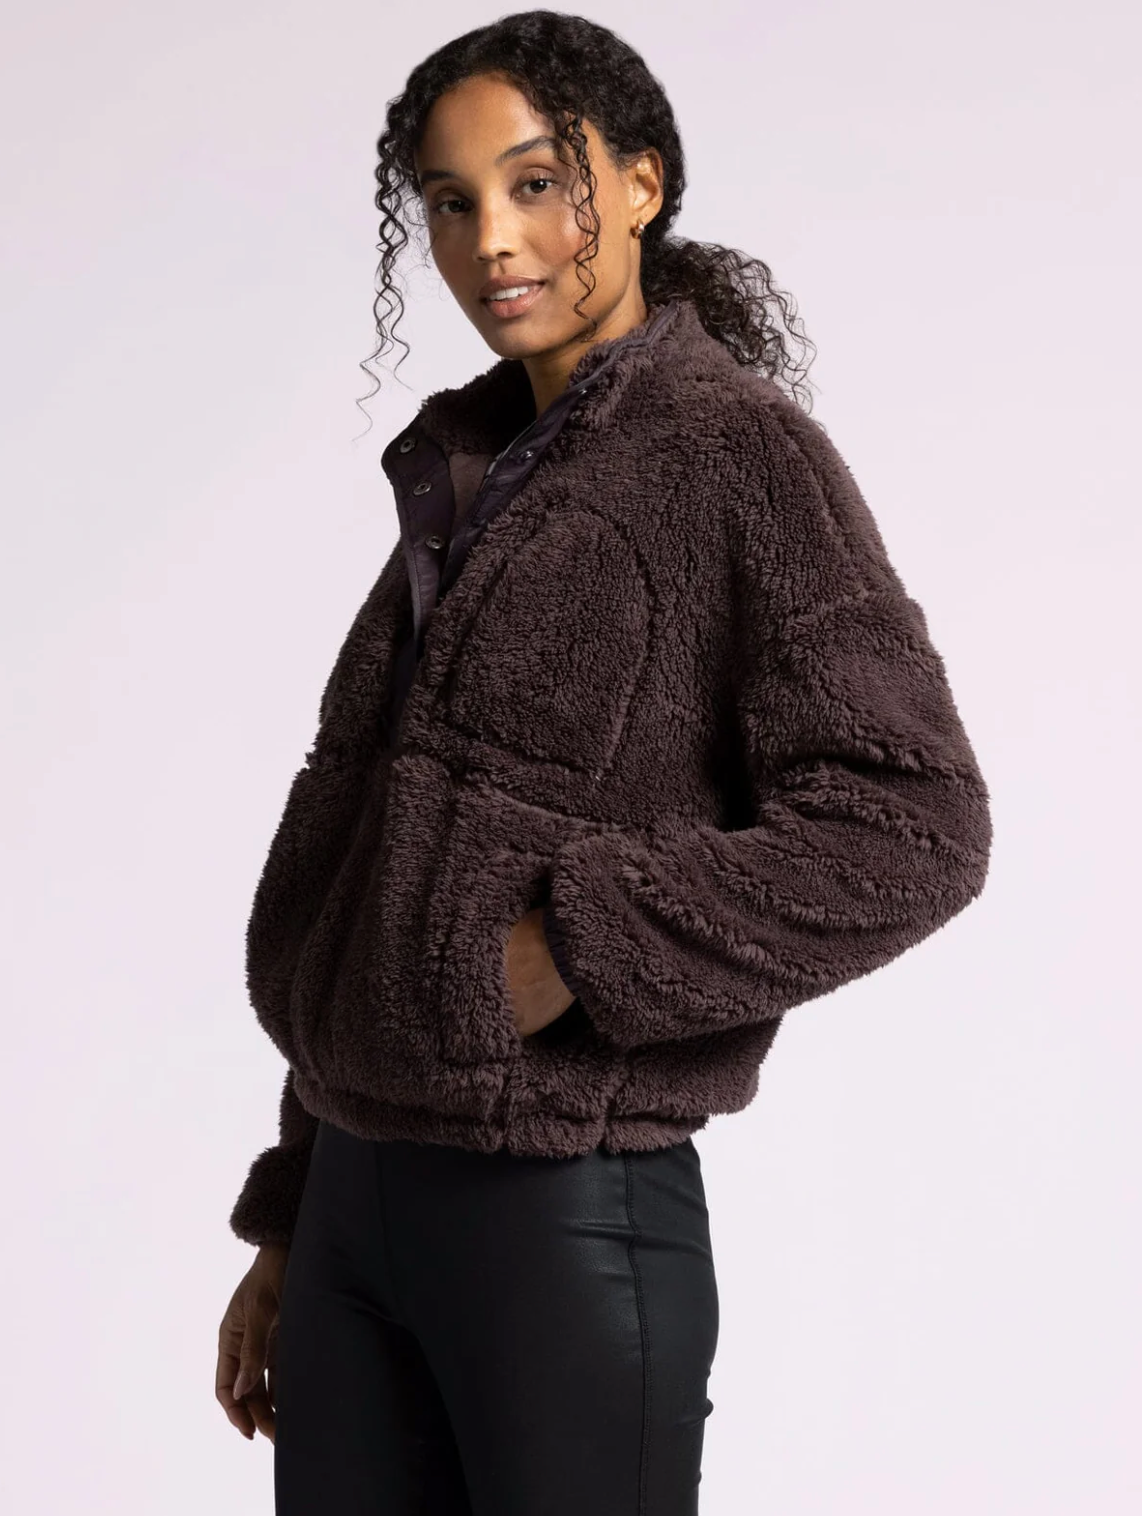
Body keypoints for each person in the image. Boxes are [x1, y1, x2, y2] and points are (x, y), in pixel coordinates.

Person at [214, 12, 993, 1513]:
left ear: (639, 184)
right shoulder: (474, 472)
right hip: (356, 1208)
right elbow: (380, 867)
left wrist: (568, 950)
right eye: (451, 203)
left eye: (535, 184)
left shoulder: (733, 455)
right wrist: (295, 1215)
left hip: (557, 1211)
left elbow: (915, 822)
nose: (491, 242)